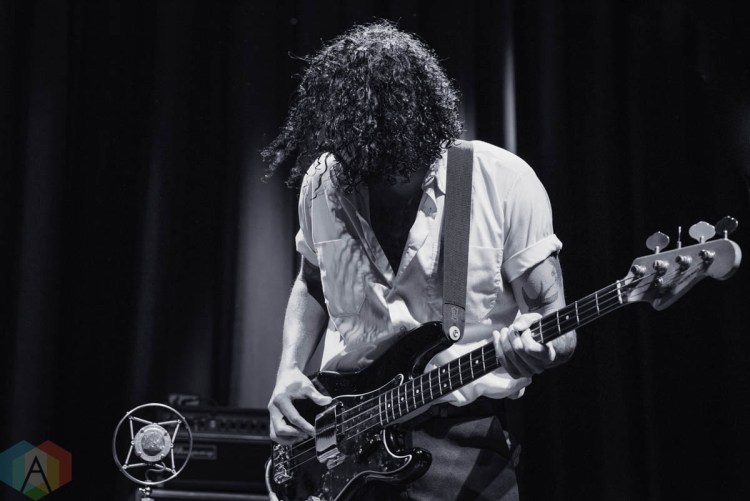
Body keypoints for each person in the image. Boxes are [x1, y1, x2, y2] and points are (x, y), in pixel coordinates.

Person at [262, 21, 576, 501]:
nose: (375, 176)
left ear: (422, 123)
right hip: (342, 444)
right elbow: (311, 282)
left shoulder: (502, 181)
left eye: (391, 158)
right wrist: (289, 370)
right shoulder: (323, 182)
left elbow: (557, 322)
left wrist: (540, 348)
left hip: (463, 444)